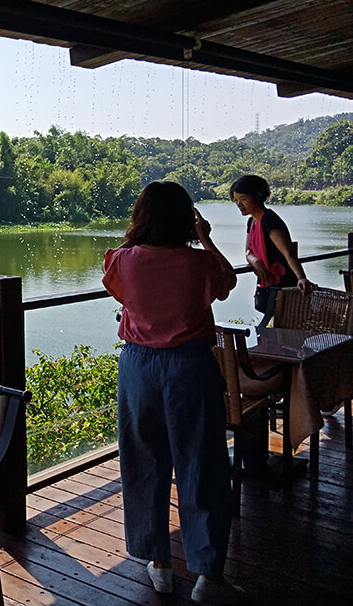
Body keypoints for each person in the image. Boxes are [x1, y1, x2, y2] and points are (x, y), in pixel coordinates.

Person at [102, 181, 244, 605]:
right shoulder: (200, 264)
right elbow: (228, 282)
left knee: (144, 461)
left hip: (139, 367)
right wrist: (205, 239)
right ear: (187, 217)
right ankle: (208, 574)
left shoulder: (122, 260)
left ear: (141, 216)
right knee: (203, 464)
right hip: (190, 366)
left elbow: (123, 294)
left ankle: (159, 565)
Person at [229, 174, 314, 314]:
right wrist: (255, 260)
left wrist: (301, 278)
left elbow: (288, 253)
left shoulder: (269, 220)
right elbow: (248, 250)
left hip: (284, 286)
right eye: (236, 200)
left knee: (285, 328)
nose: (239, 204)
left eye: (243, 199)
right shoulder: (252, 222)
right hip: (268, 285)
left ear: (258, 196)